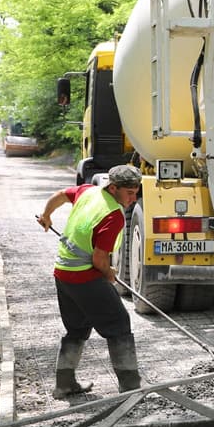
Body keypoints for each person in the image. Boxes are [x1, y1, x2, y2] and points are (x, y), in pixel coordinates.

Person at [37, 165, 144, 397]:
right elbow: (99, 259)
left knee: (77, 328)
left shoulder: (88, 191)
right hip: (84, 277)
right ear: (113, 188)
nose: (133, 198)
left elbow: (61, 195)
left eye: (136, 193)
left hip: (63, 273)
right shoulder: (113, 215)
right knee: (119, 325)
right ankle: (130, 388)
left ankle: (64, 384)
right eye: (129, 193)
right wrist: (109, 272)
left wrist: (46, 215)